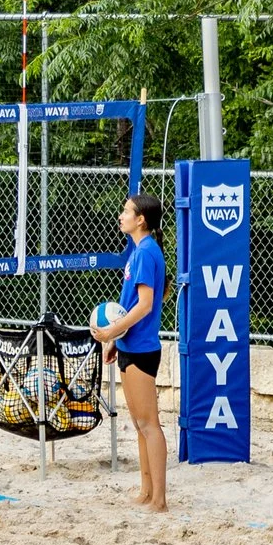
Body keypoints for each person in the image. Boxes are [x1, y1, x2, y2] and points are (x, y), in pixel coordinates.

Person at [92, 194, 168, 512]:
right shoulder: (140, 252)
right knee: (139, 424)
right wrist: (116, 339)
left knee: (150, 424)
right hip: (129, 345)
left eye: (126, 211)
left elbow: (147, 304)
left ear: (141, 220)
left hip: (142, 349)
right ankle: (146, 491)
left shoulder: (146, 252)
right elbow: (138, 303)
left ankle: (160, 499)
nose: (121, 215)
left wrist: (111, 330)